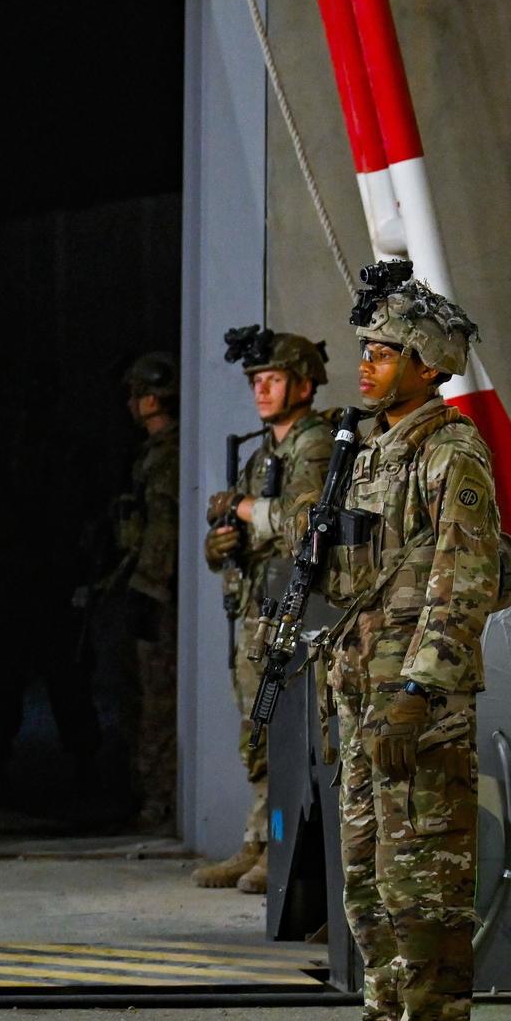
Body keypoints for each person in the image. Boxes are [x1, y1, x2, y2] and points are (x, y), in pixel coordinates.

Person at [299, 260, 499, 1021]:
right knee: (370, 884)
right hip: (364, 703)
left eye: (385, 351)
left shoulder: (451, 453)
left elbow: (464, 582)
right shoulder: (376, 450)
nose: (367, 363)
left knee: (425, 882)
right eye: (367, 349)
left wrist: (419, 692)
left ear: (426, 363)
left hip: (417, 711)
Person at [194, 327, 335, 892]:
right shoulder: (264, 454)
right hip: (260, 610)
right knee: (256, 733)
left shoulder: (315, 446)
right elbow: (249, 535)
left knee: (285, 733)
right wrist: (219, 545)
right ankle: (258, 839)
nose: (261, 390)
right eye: (256, 381)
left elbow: (302, 524)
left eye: (272, 379)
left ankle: (282, 849)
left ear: (302, 384)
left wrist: (247, 508)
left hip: (297, 614)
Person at [111, 352, 180, 830]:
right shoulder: (154, 452)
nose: (131, 405)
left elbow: (163, 530)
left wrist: (149, 587)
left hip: (157, 591)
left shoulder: (169, 455)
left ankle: (158, 801)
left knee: (156, 700)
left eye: (136, 395)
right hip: (146, 585)